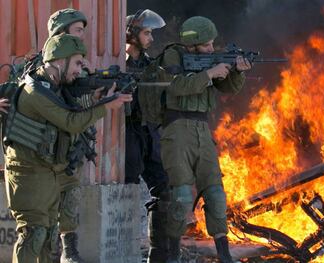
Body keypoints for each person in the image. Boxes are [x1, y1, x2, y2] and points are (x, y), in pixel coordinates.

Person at [4, 34, 131, 263]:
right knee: (34, 234)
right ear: (59, 62)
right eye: (77, 64)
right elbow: (70, 121)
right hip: (27, 173)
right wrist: (107, 107)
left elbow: (72, 111)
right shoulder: (35, 91)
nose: (79, 70)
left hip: (48, 170)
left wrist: (97, 99)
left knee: (51, 235)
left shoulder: (55, 88)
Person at [159, 16, 251, 262]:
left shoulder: (211, 60)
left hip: (202, 127)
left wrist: (237, 73)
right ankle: (172, 254)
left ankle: (224, 253)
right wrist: (209, 73)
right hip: (176, 128)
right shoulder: (173, 56)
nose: (212, 49)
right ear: (193, 44)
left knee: (216, 192)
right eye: (207, 45)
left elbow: (228, 88)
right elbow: (176, 86)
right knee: (181, 195)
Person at [46, 8, 94, 263]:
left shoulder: (80, 68)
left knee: (71, 199)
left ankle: (69, 251)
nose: (82, 36)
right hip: (46, 149)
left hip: (73, 146)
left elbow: (85, 105)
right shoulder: (39, 65)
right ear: (60, 33)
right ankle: (49, 252)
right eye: (77, 31)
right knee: (46, 205)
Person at [124, 9, 171, 263]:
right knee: (128, 189)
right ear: (132, 34)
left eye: (151, 32)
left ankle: (158, 255)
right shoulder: (119, 63)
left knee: (164, 189)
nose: (151, 37)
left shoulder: (151, 64)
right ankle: (124, 249)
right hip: (128, 132)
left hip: (149, 131)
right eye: (146, 32)